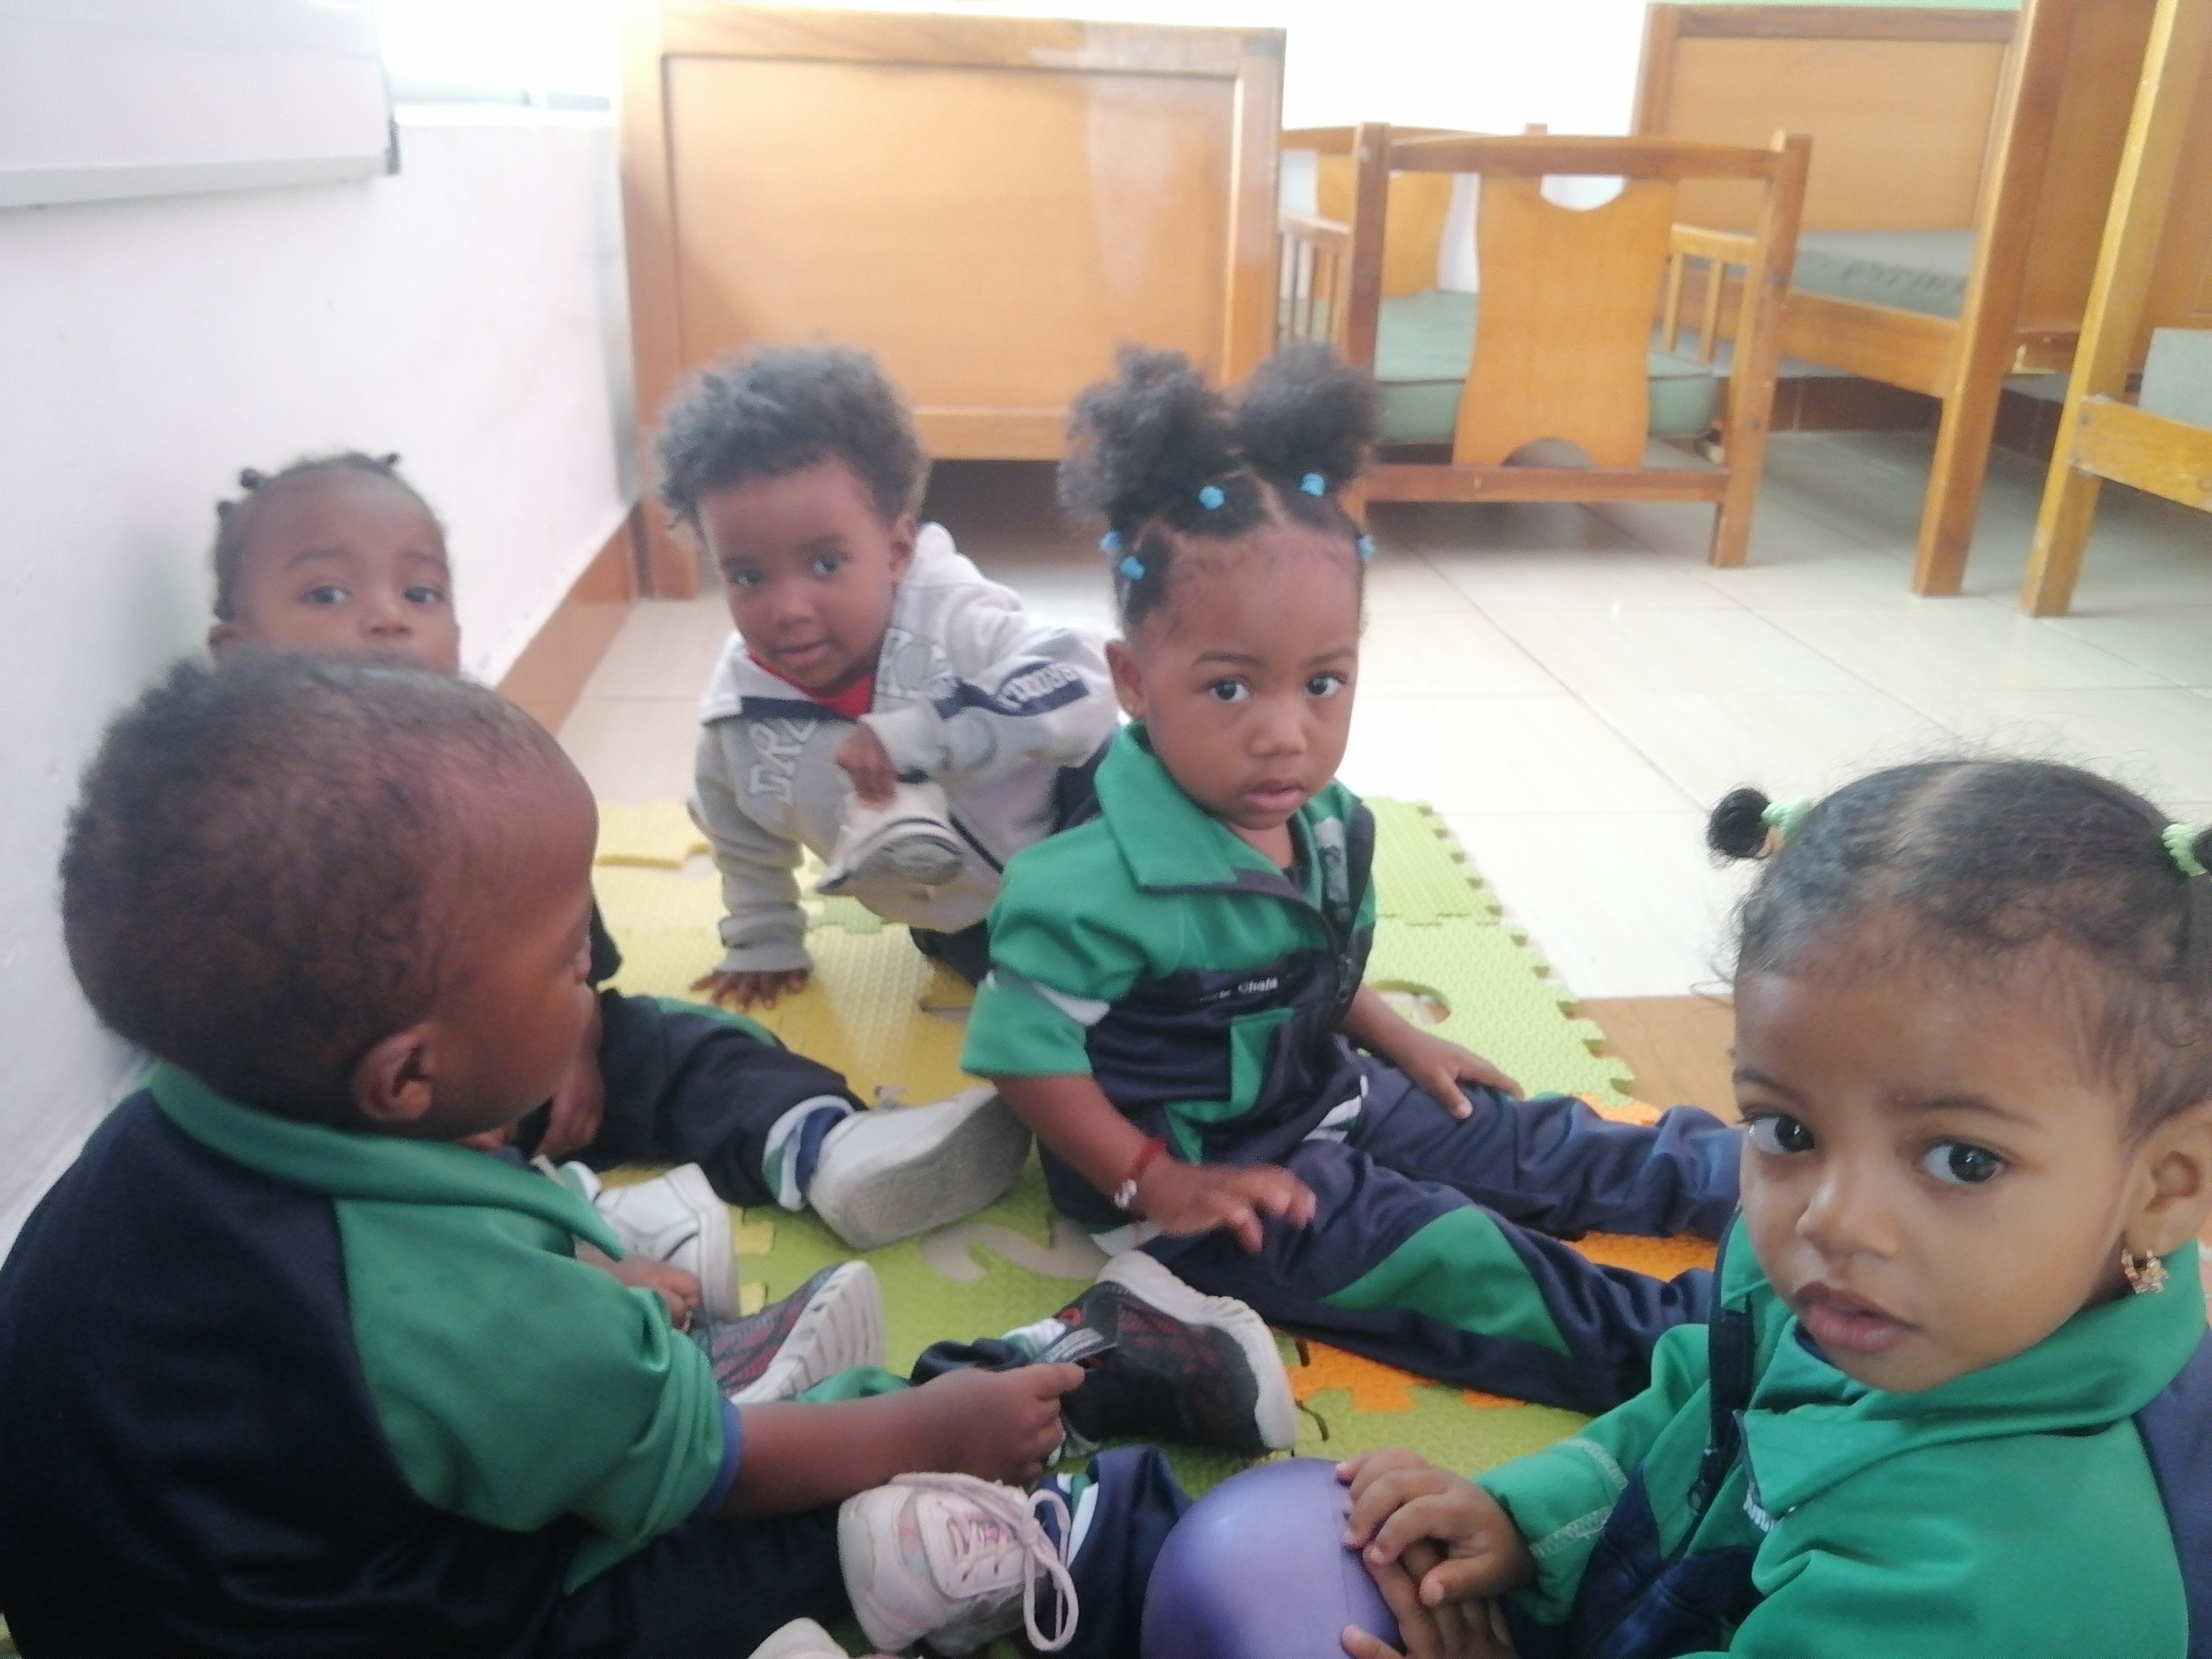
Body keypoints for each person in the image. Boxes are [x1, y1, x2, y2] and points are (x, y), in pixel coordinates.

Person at [0, 654, 1276, 1658]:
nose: (596, 974)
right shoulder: (479, 1318)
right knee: (756, 1531)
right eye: (569, 956)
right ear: (406, 1076)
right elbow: (709, 1477)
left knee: (630, 1386)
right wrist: (932, 1429)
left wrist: (578, 1292)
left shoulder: (188, 1122)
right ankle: (1024, 1444)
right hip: (376, 1627)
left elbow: (362, 1333)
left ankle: (787, 1371)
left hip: (153, 1588)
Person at [961, 345, 1743, 1416]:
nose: (1286, 733)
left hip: (1330, 1092)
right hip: (1211, 1185)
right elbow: (1022, 1054)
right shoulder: (1084, 885)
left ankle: (1766, 1180)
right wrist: (1154, 1180)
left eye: (1323, 682)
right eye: (1230, 688)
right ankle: (1731, 1351)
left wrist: (1402, 1039)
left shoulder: (1325, 823)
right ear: (1134, 680)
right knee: (1462, 1261)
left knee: (1539, 1139)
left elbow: (1304, 968)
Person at [1336, 761, 2212, 1659]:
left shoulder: (1997, 1583)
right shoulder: (1884, 1295)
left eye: (1964, 1160)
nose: (1833, 1220)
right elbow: (1708, 1400)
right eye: (1788, 1129)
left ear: (2167, 1188)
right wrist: (1532, 1518)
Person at [204, 451, 1030, 1262]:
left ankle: (825, 1148)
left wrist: (574, 1039)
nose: (389, 618)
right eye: (328, 594)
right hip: (376, 1122)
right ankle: (574, 1231)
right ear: (237, 651)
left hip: (528, 1055)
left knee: (691, 1048)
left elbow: (559, 910)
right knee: (349, 1207)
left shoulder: (480, 757)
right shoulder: (249, 829)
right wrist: (443, 1110)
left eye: (421, 593)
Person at [659, 343, 1120, 1004]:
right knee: (1058, 1006)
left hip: (1085, 827)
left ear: (897, 549)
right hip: (965, 914)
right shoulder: (739, 721)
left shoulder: (954, 619)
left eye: (826, 564)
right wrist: (764, 936)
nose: (789, 609)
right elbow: (739, 832)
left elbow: (1089, 674)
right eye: (749, 576)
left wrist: (928, 732)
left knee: (1145, 782)